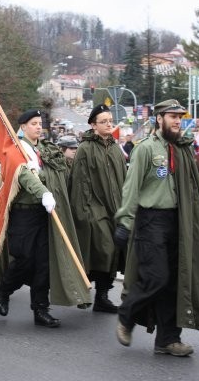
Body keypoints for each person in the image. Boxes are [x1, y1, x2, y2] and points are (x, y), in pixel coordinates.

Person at [114, 99, 199, 356]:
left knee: (175, 282)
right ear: (158, 119)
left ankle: (168, 339)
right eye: (171, 116)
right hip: (151, 222)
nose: (176, 120)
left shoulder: (182, 149)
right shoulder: (146, 149)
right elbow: (131, 188)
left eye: (179, 117)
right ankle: (126, 315)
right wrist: (125, 221)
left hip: (177, 222)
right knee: (157, 277)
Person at [0, 109, 90, 328]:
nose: (39, 127)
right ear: (23, 126)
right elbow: (25, 175)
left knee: (44, 262)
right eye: (34, 123)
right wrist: (43, 192)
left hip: (43, 212)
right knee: (24, 259)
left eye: (40, 123)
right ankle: (3, 290)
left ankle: (40, 308)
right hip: (23, 212)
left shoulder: (42, 149)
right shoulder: (15, 149)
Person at [68, 105, 127, 314]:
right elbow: (79, 183)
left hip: (116, 210)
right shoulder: (85, 148)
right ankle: (87, 291)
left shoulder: (114, 147)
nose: (109, 124)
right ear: (93, 125)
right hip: (95, 209)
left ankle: (102, 297)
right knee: (105, 249)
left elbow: (123, 179)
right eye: (104, 121)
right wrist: (83, 213)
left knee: (115, 253)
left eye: (110, 120)